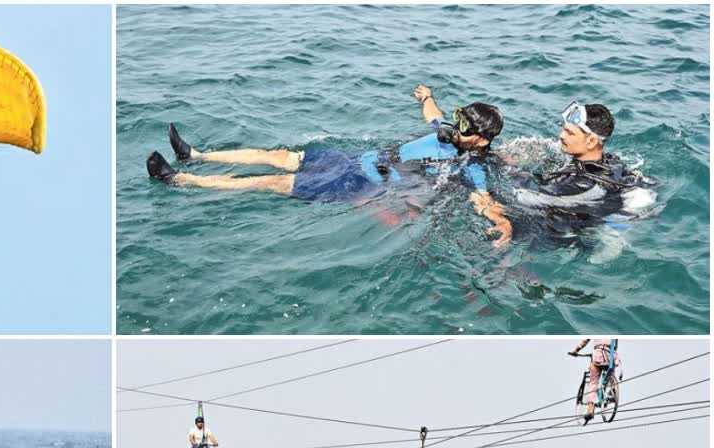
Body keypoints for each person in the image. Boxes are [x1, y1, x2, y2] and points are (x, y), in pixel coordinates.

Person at [146, 85, 514, 246]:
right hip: (353, 161)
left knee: (274, 181)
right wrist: (429, 96)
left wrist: (502, 224)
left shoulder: (472, 165)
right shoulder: (450, 132)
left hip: (361, 186)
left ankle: (180, 179)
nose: (456, 127)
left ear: (481, 139)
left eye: (464, 126)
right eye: (459, 118)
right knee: (281, 156)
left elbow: (482, 198)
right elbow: (432, 114)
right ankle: (196, 156)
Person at [507, 103, 657, 228]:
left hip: (563, 234)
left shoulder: (583, 185)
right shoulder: (611, 162)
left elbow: (524, 196)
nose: (561, 135)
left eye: (569, 133)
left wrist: (506, 169)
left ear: (591, 142)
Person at [569, 339, 621, 425]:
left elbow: (585, 341)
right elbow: (615, 346)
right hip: (611, 356)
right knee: (611, 372)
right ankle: (611, 390)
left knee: (593, 383)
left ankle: (590, 409)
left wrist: (576, 350)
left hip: (598, 355)